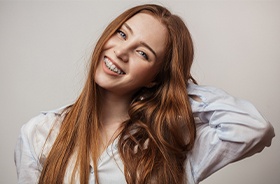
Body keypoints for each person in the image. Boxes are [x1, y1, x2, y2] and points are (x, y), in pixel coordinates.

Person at [14, 4, 274, 184]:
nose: (121, 51)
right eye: (122, 33)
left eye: (143, 53)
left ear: (155, 78)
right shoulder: (40, 132)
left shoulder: (173, 141)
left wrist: (173, 87)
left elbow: (252, 127)